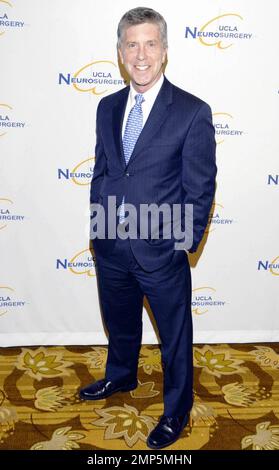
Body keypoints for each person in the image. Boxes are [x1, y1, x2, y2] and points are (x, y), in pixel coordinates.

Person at [79, 7, 217, 449]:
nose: (141, 55)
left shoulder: (192, 112)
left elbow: (200, 188)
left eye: (150, 44)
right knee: (119, 324)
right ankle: (120, 376)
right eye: (131, 44)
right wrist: (98, 224)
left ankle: (176, 410)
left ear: (165, 51)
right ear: (120, 53)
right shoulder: (107, 106)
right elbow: (103, 170)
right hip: (111, 247)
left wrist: (182, 245)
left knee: (175, 339)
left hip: (162, 250)